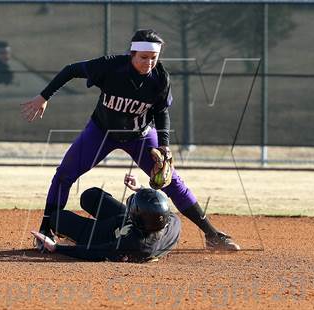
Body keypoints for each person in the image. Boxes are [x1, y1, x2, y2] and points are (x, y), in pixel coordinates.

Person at [21, 29, 240, 251]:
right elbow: (71, 70)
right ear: (132, 53)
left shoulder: (160, 79)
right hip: (101, 132)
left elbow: (161, 113)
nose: (148, 63)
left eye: (153, 58)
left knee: (172, 181)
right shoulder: (110, 66)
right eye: (143, 57)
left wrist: (163, 145)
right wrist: (44, 97)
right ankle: (45, 229)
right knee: (64, 174)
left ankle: (212, 235)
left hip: (140, 136)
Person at [31, 174, 180, 262]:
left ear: (137, 219)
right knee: (90, 196)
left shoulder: (135, 244)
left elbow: (95, 252)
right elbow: (158, 207)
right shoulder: (172, 223)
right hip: (127, 224)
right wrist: (141, 190)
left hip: (106, 237)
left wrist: (56, 248)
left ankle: (70, 237)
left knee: (57, 218)